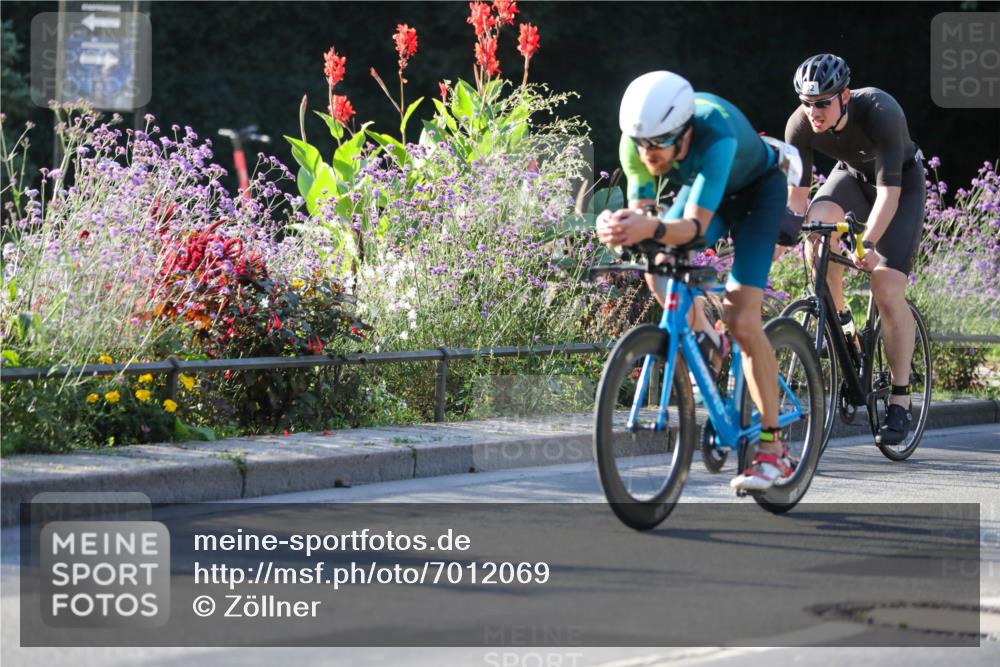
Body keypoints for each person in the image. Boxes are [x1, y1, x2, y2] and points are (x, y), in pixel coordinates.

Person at [596, 71, 791, 491]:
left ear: (684, 133)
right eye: (641, 144)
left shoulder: (715, 134)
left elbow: (693, 227)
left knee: (741, 317)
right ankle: (708, 340)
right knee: (658, 266)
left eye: (658, 145)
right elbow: (645, 216)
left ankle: (773, 448)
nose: (648, 154)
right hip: (706, 187)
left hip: (756, 194)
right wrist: (618, 227)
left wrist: (650, 227)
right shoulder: (637, 140)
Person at [784, 54, 925, 444]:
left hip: (900, 187)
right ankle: (846, 332)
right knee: (816, 236)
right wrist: (777, 242)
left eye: (822, 103)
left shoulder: (881, 111)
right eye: (806, 103)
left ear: (844, 96)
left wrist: (868, 242)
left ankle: (900, 397)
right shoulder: (800, 125)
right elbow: (796, 201)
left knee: (885, 287)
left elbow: (889, 197)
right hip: (850, 177)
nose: (813, 112)